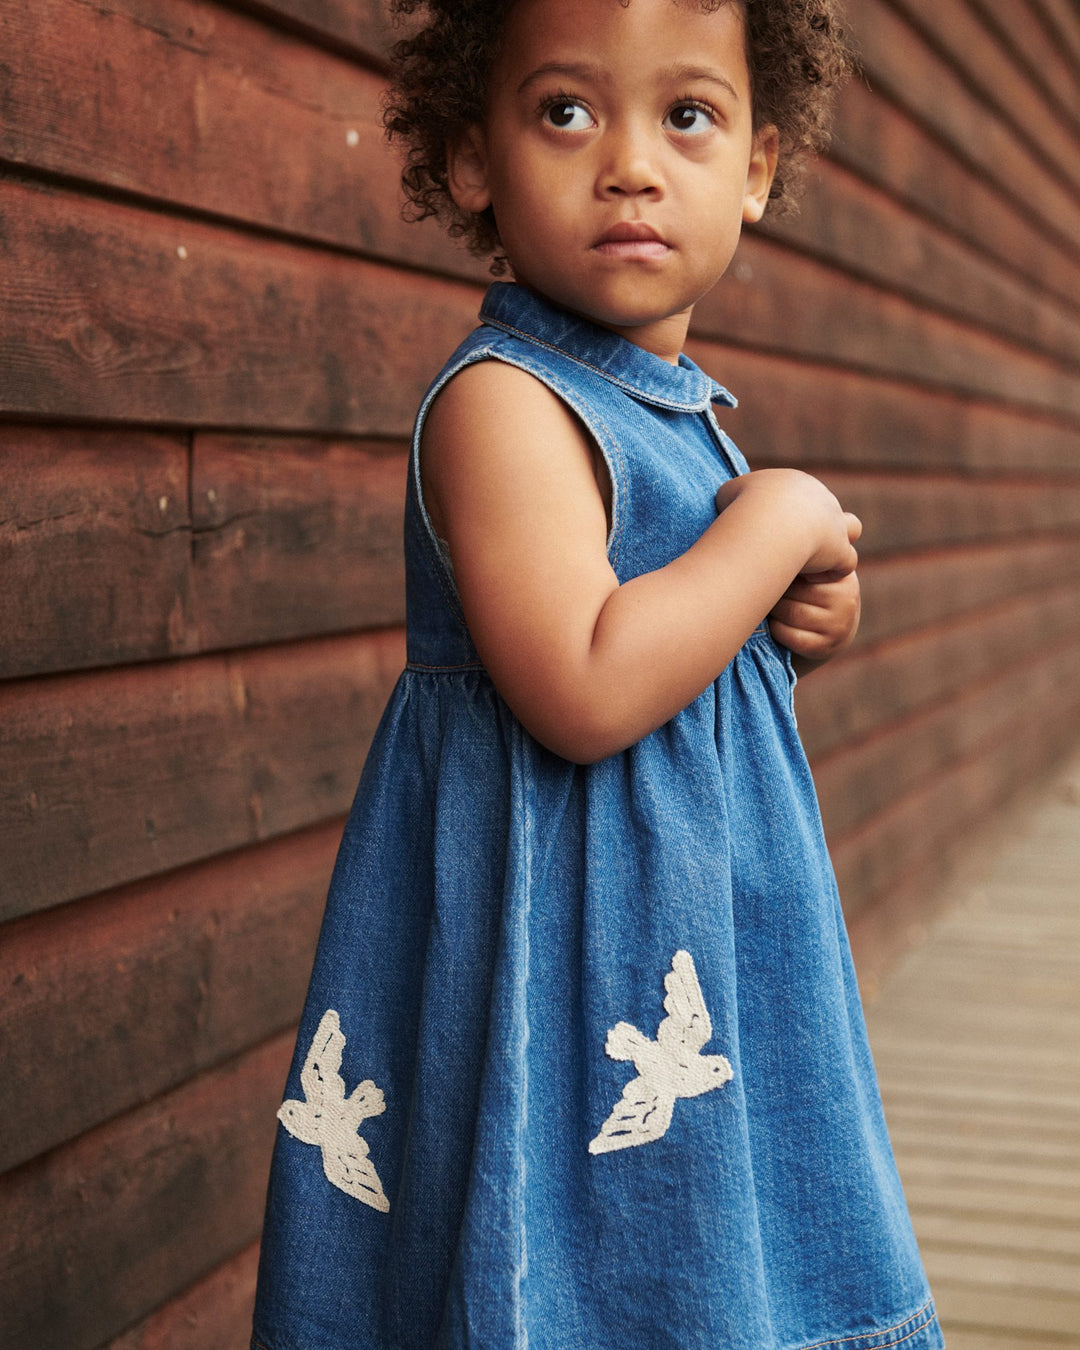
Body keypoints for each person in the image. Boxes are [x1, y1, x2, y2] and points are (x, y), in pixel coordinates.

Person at [252, 1, 944, 1347]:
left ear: (756, 167)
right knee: (571, 1274)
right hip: (560, 965)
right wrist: (773, 522)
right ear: (472, 161)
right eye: (566, 111)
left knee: (722, 1253)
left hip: (693, 939)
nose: (630, 161)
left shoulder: (673, 407)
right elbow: (584, 684)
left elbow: (704, 640)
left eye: (687, 115)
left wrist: (808, 601)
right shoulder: (506, 402)